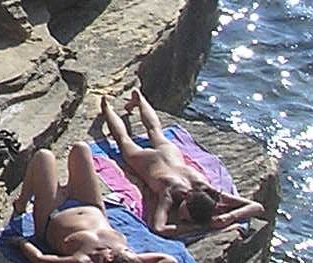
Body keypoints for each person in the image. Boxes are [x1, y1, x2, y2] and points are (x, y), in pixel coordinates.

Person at [98, 88, 267, 236]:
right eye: (185, 214)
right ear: (186, 199)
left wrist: (228, 217)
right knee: (123, 140)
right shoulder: (169, 193)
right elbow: (158, 228)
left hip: (170, 155)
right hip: (147, 162)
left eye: (184, 218)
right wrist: (196, 227)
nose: (181, 218)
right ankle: (107, 108)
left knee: (155, 131)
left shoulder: (210, 192)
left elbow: (257, 206)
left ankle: (139, 99)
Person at [14, 144, 180, 263]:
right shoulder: (128, 262)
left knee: (43, 156)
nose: (129, 249)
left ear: (108, 257)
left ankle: (22, 203)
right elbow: (170, 262)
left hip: (53, 213)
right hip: (90, 205)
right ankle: (29, 200)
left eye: (126, 250)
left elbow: (40, 260)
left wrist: (21, 243)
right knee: (81, 149)